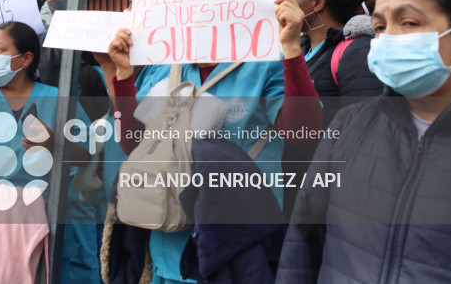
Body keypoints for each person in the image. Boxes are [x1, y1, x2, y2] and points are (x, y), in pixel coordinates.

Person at [276, 0, 451, 284]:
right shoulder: (350, 125)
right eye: (379, 27)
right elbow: (302, 244)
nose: (388, 39)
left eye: (408, 23)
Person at [106, 22, 323, 284]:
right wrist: (124, 73)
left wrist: (291, 49)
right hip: (168, 241)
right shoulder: (163, 66)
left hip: (238, 243)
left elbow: (304, 133)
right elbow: (133, 144)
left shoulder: (265, 64)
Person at [0, 21, 91, 284]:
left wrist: (55, 142)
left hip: (41, 227)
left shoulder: (58, 100)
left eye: (0, 49)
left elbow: (86, 156)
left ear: (25, 59)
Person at [275, 0, 384, 215]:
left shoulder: (356, 52)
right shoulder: (298, 51)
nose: (283, 1)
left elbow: (366, 137)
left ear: (318, 3)